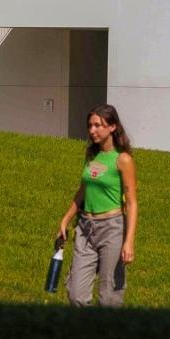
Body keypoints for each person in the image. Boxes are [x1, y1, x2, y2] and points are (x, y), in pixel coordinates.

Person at [57, 104, 138, 307]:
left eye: (97, 125)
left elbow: (132, 203)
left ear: (112, 127)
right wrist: (65, 220)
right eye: (90, 126)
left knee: (109, 296)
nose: (92, 130)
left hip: (112, 228)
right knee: (76, 294)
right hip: (85, 228)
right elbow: (82, 192)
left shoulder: (123, 160)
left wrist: (128, 242)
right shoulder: (92, 157)